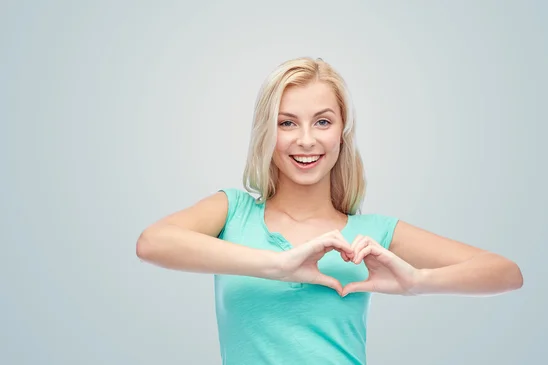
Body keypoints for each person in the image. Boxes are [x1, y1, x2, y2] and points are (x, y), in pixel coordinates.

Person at [135, 57, 524, 364]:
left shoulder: (375, 234)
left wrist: (417, 281)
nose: (306, 140)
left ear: (342, 132)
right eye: (287, 123)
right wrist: (278, 264)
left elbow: (506, 273)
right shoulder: (232, 212)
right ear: (267, 133)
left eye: (322, 121)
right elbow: (152, 243)